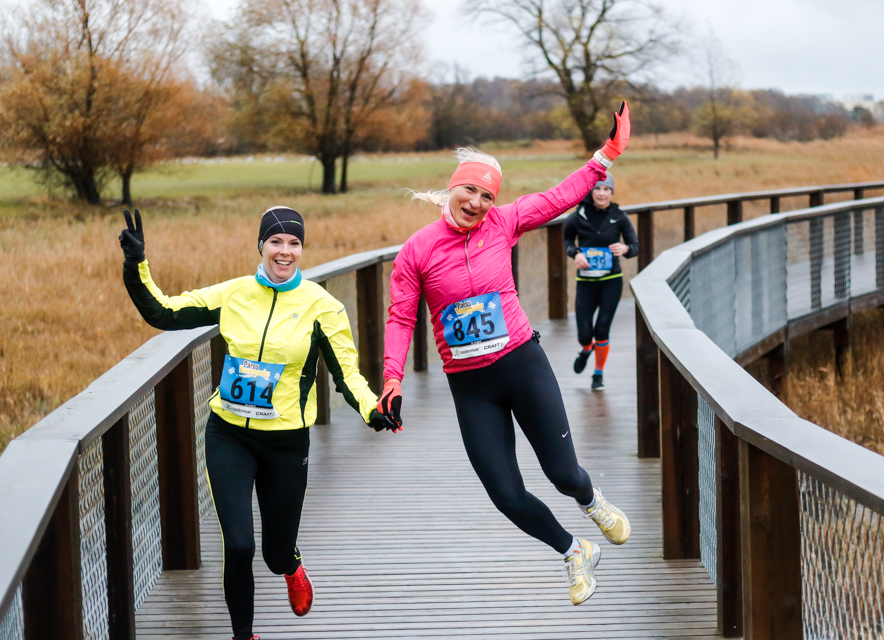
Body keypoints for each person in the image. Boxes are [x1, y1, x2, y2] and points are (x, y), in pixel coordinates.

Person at [379, 103, 633, 606]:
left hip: (522, 365)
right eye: (469, 189)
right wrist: (392, 379)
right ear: (452, 187)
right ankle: (573, 551)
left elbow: (562, 196)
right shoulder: (418, 250)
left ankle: (591, 500)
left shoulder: (505, 222)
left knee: (562, 474)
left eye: (486, 194)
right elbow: (401, 318)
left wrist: (606, 156)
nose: (476, 202)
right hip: (471, 387)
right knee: (504, 493)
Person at [118, 206, 400, 640]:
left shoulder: (323, 307)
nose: (284, 251)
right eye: (276, 241)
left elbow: (347, 374)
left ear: (302, 250)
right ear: (261, 245)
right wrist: (137, 264)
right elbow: (164, 313)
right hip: (228, 434)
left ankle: (291, 566)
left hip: (286, 445)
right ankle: (244, 635)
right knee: (239, 545)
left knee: (273, 552)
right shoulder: (234, 294)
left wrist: (373, 410)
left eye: (294, 243)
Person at [563, 173, 639, 391]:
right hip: (586, 282)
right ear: (590, 191)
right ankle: (586, 350)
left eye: (607, 189)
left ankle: (598, 374)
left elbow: (634, 246)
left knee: (602, 330)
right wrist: (575, 253)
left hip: (611, 281)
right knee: (585, 334)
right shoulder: (578, 216)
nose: (602, 194)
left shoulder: (619, 216)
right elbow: (567, 240)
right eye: (598, 189)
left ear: (611, 192)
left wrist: (625, 249)